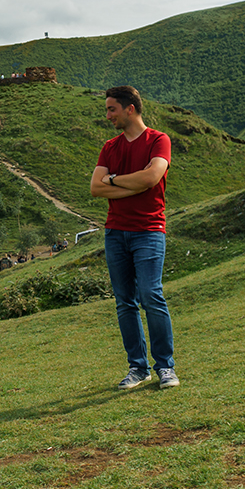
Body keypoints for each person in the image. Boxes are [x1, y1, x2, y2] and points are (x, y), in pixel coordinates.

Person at [90, 85, 179, 390]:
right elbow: (95, 188)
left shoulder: (159, 140)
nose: (107, 115)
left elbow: (152, 177)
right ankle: (138, 368)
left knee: (151, 296)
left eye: (111, 109)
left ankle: (165, 367)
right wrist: (134, 184)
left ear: (130, 108)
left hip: (149, 230)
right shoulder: (109, 147)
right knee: (124, 302)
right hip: (116, 232)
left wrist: (114, 180)